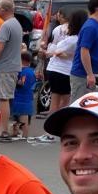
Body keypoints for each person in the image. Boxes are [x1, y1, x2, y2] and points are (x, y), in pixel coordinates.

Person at [35, 8, 80, 143]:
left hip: (57, 68)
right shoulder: (77, 37)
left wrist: (53, 52)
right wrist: (60, 53)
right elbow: (55, 50)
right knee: (63, 101)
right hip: (64, 70)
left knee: (57, 101)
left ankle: (53, 131)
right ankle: (55, 130)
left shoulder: (64, 32)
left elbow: (52, 48)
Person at [0, 0, 23, 141]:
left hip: (6, 66)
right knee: (6, 97)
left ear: (3, 9)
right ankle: (4, 128)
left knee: (3, 98)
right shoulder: (16, 24)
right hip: (13, 65)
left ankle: (3, 130)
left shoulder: (6, 25)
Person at [69, 0, 98, 100]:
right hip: (82, 76)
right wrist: (90, 74)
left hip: (90, 75)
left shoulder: (97, 26)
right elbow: (84, 50)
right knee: (78, 107)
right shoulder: (91, 27)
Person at [10, 51, 36, 140]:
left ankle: (23, 134)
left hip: (21, 97)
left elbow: (21, 83)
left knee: (22, 116)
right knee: (21, 116)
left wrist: (14, 81)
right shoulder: (31, 71)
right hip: (27, 97)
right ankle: (18, 132)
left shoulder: (24, 72)